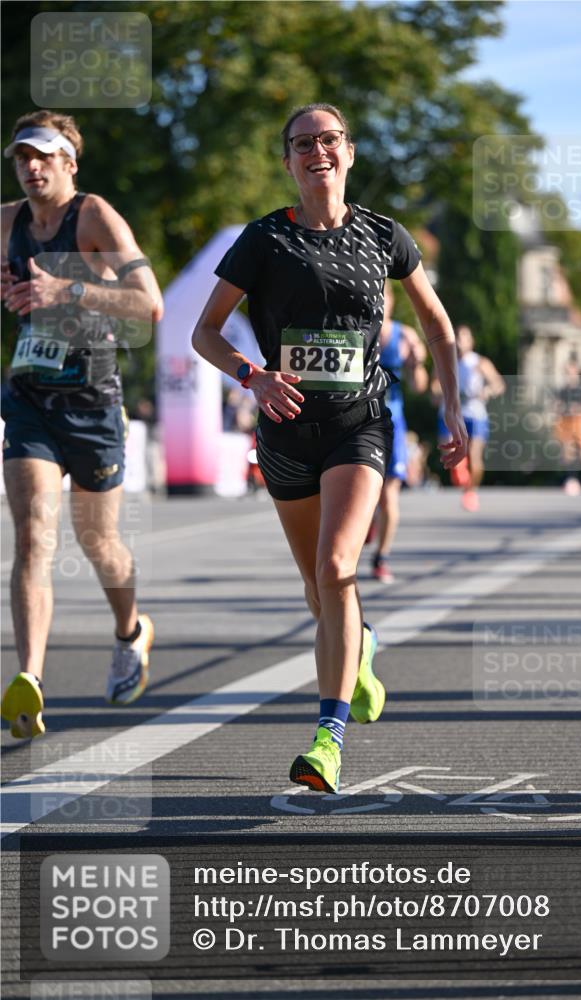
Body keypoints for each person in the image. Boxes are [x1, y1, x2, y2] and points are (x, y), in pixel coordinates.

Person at [192, 103, 466, 794]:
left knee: (338, 566)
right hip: (285, 430)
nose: (317, 150)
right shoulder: (263, 240)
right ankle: (361, 646)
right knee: (318, 591)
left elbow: (434, 322)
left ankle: (327, 737)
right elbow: (206, 332)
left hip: (359, 422)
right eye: (302, 142)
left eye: (329, 139)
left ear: (348, 152)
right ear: (287, 160)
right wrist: (251, 377)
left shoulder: (383, 235)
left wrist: (452, 409)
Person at [1, 110, 163, 739]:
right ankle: (30, 684)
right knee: (33, 532)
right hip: (30, 397)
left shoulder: (93, 216)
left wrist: (66, 290)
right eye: (21, 157)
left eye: (43, 155)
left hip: (94, 398)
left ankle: (130, 631)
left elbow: (147, 304)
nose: (31, 167)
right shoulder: (9, 222)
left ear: (70, 162)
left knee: (98, 543)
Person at [368, 279, 428, 584]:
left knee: (389, 495)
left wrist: (416, 364)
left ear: (390, 301)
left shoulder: (404, 336)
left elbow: (420, 387)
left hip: (394, 422)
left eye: (383, 296)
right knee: (363, 494)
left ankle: (382, 557)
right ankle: (367, 525)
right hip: (360, 421)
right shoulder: (356, 332)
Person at [434, 325, 505, 511]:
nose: (459, 340)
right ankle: (461, 472)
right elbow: (433, 388)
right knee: (448, 453)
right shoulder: (444, 361)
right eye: (457, 336)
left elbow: (499, 384)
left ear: (471, 341)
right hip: (450, 412)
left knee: (475, 456)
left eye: (464, 337)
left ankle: (471, 491)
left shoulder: (480, 362)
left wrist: (488, 391)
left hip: (475, 413)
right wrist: (437, 393)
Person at [553, 355, 581, 496]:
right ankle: (571, 478)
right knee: (568, 451)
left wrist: (579, 409)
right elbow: (556, 407)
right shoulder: (563, 390)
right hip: (567, 422)